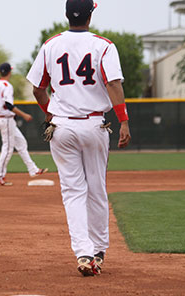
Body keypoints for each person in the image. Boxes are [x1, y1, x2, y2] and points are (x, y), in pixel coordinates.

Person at [27, 0, 131, 276]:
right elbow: (112, 84)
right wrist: (123, 120)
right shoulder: (104, 45)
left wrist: (51, 114)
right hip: (94, 124)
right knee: (96, 189)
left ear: (66, 15)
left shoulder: (51, 45)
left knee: (73, 192)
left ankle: (83, 253)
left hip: (61, 128)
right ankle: (98, 250)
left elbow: (38, 89)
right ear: (91, 14)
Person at [0, 62, 48, 186]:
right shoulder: (7, 86)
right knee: (8, 148)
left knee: (21, 143)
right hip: (6, 119)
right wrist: (24, 115)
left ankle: (33, 170)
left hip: (3, 119)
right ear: (9, 72)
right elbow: (9, 105)